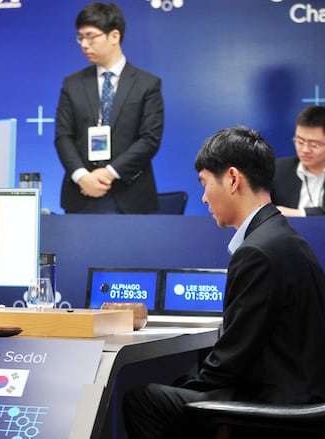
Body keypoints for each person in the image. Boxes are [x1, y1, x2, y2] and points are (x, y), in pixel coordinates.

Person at [122, 127, 325, 438]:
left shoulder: (258, 252)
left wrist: (187, 387)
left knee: (144, 400)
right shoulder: (281, 238)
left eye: (205, 184)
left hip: (279, 412)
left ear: (232, 179)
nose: (204, 197)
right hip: (299, 400)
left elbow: (229, 362)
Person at [54, 2, 164, 214]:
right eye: (80, 37)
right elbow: (63, 136)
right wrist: (82, 176)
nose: (84, 44)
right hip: (81, 193)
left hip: (130, 194)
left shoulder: (147, 84)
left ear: (114, 36)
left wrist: (109, 173)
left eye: (91, 36)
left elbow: (150, 139)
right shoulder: (72, 84)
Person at [272, 105, 325, 216]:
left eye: (314, 145)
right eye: (300, 141)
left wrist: (298, 214)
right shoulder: (277, 170)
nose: (305, 150)